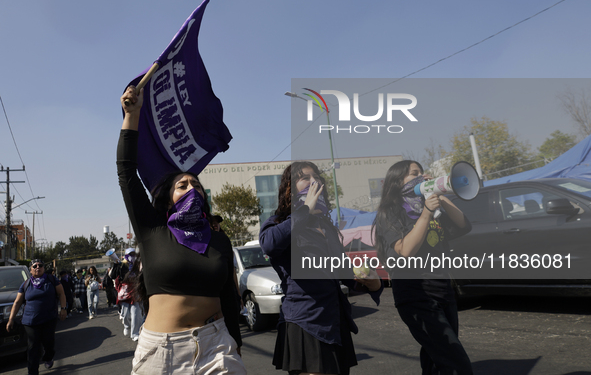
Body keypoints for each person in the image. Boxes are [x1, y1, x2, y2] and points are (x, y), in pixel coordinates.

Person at [118, 86, 244, 374]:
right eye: (183, 186)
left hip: (217, 348)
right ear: (168, 198)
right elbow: (126, 172)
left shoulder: (219, 241)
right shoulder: (152, 231)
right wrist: (132, 115)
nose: (191, 189)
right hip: (161, 353)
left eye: (196, 185)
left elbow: (229, 299)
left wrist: (235, 342)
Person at [259, 161, 383, 375]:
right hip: (305, 321)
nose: (313, 182)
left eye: (316, 178)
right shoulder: (278, 223)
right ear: (288, 188)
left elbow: (344, 273)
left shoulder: (327, 227)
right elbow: (269, 243)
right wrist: (304, 210)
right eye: (305, 178)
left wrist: (372, 283)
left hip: (335, 321)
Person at [372, 160, 473, 374]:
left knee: (435, 358)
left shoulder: (430, 207)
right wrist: (426, 212)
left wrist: (441, 193)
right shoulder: (389, 212)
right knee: (455, 362)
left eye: (422, 172)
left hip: (442, 289)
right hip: (416, 294)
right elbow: (406, 250)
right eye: (414, 173)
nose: (421, 176)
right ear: (398, 181)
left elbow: (464, 225)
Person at [6, 259, 67, 375]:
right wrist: (10, 319)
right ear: (31, 270)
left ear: (43, 268)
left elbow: (61, 294)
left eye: (40, 265)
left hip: (49, 319)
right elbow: (17, 302)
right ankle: (32, 372)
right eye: (35, 266)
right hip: (30, 321)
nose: (38, 268)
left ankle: (48, 357)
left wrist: (63, 309)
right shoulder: (26, 284)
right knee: (33, 346)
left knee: (49, 343)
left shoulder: (51, 279)